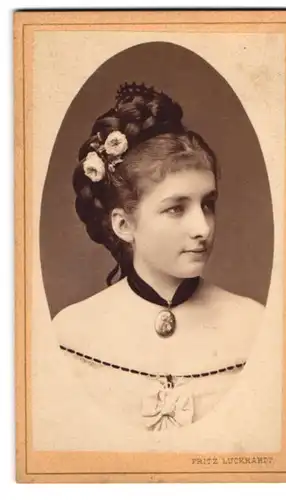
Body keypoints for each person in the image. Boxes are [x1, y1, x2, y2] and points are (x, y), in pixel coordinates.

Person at [52, 82, 264, 437]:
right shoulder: (71, 334)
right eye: (176, 208)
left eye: (207, 204)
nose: (203, 227)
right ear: (123, 224)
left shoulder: (256, 326)